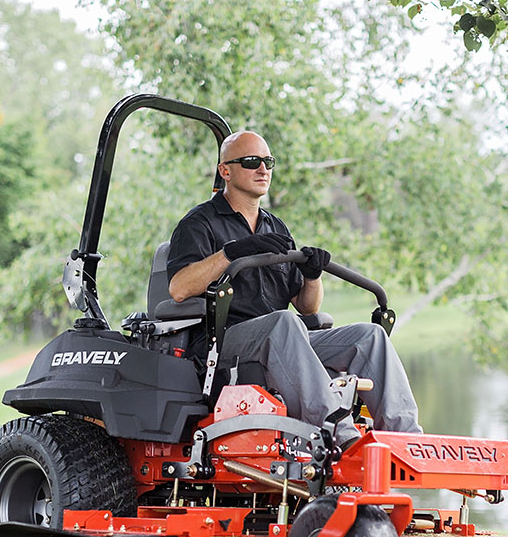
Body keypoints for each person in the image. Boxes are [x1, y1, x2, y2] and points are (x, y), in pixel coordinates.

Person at [166, 131, 422, 446]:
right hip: (222, 343)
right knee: (284, 323)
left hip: (283, 341)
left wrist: (312, 276)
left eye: (268, 162)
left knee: (369, 337)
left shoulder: (276, 227)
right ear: (225, 171)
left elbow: (308, 307)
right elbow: (179, 288)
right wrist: (231, 253)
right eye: (251, 162)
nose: (263, 170)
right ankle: (337, 435)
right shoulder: (199, 223)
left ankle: (407, 441)